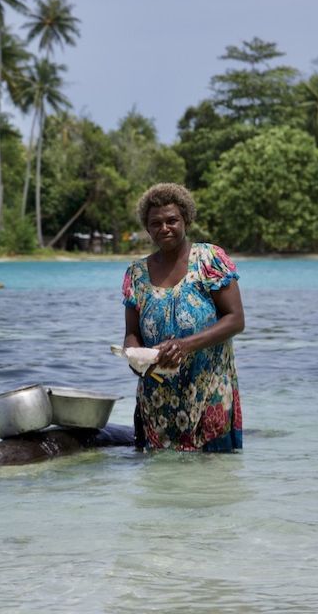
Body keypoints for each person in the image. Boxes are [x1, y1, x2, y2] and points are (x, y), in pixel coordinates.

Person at [121, 182, 245, 452]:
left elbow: (235, 319)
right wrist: (133, 355)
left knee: (212, 485)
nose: (164, 228)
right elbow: (132, 332)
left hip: (209, 395)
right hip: (156, 402)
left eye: (172, 220)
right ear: (147, 228)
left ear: (186, 220)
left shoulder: (209, 259)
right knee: (160, 487)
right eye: (155, 223)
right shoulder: (136, 274)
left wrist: (184, 345)